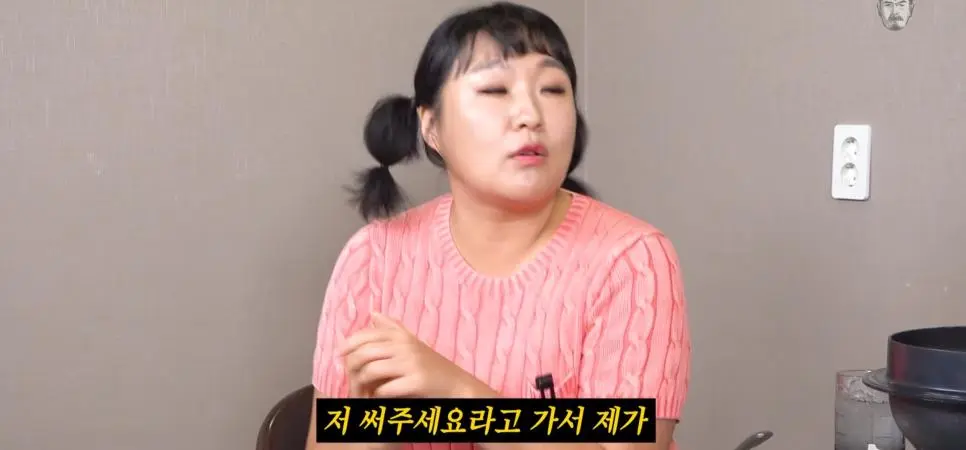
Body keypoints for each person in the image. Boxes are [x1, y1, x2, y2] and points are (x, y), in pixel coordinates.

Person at [305, 2, 691, 450]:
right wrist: (365, 426)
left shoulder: (631, 260)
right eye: (494, 90)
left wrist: (459, 392)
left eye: (553, 89)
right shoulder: (373, 257)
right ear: (431, 127)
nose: (530, 115)